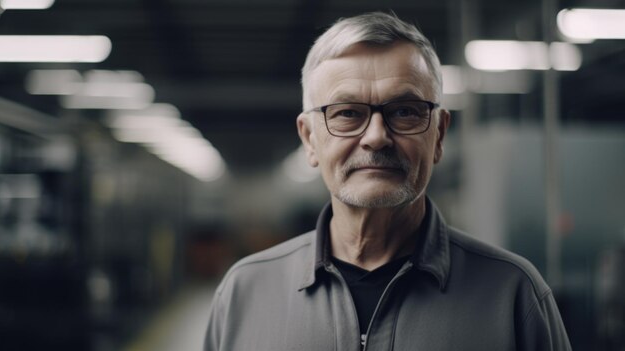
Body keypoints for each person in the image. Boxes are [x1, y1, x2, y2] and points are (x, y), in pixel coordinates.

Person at [204, 12, 571, 351]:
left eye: (405, 112)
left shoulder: (514, 296)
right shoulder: (245, 292)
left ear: (439, 134)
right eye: (347, 113)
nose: (376, 137)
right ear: (310, 139)